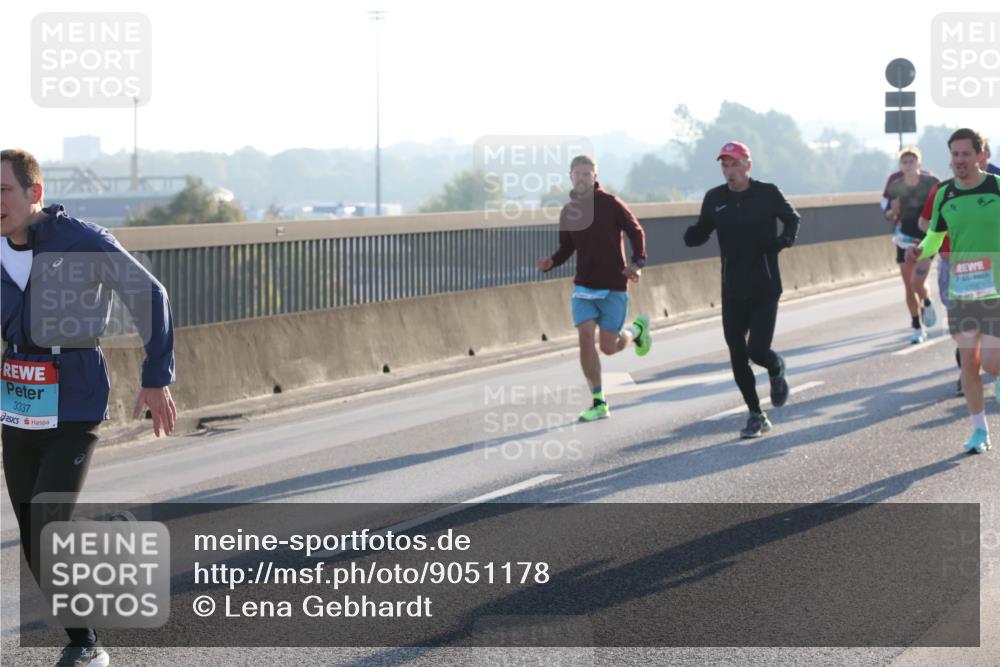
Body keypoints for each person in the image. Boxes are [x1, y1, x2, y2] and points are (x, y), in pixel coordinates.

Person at [1, 148, 177, 666]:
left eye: (2, 191)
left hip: (75, 399)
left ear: (34, 193)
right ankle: (83, 636)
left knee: (46, 521)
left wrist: (155, 377)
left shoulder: (82, 240)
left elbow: (150, 294)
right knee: (36, 543)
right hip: (19, 404)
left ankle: (88, 646)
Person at [683, 141, 800, 439]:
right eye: (724, 165)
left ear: (748, 165)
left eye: (735, 164)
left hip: (765, 286)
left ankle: (776, 368)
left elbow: (792, 219)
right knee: (737, 354)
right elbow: (704, 228)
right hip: (732, 288)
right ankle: (755, 414)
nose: (729, 171)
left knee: (757, 351)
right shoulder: (715, 198)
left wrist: (782, 242)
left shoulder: (768, 193)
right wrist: (693, 235)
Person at [908, 128, 1000, 454]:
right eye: (954, 155)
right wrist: (920, 250)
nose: (959, 160)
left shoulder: (996, 186)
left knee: (991, 363)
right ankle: (980, 431)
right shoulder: (945, 193)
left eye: (965, 154)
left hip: (996, 291)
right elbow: (935, 234)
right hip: (962, 289)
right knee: (969, 364)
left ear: (979, 155)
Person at [537, 154, 649, 422]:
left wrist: (638, 262)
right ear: (571, 177)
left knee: (608, 347)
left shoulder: (611, 204)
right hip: (584, 287)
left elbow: (636, 232)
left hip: (613, 286)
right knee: (585, 336)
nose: (582, 178)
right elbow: (567, 247)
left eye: (587, 174)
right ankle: (598, 401)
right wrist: (552, 262)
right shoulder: (569, 212)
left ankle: (637, 331)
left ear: (595, 177)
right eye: (577, 173)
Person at [883, 147, 939, 344]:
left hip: (926, 239)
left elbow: (942, 206)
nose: (908, 165)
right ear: (901, 166)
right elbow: (888, 214)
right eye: (904, 162)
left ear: (919, 164)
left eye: (911, 161)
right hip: (904, 239)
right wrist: (892, 211)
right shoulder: (896, 186)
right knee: (908, 285)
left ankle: (927, 301)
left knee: (917, 282)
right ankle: (917, 327)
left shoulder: (931, 183)